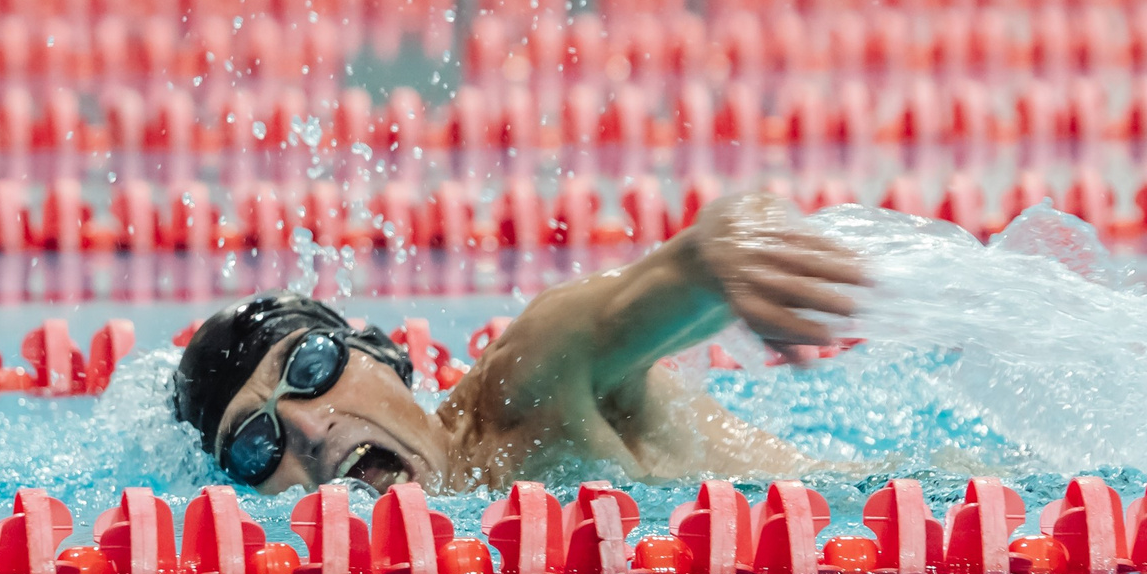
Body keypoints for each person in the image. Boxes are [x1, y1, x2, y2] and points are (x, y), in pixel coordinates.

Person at [170, 192, 868, 493]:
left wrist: (725, 250)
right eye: (254, 445)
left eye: (311, 367)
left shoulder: (526, 388)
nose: (305, 428)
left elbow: (660, 283)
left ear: (384, 354)